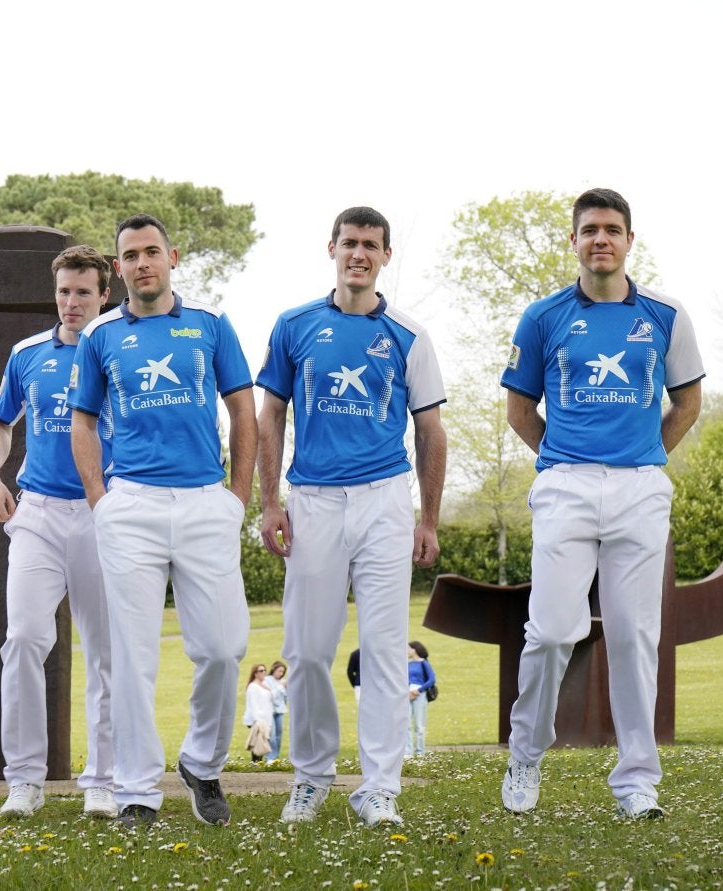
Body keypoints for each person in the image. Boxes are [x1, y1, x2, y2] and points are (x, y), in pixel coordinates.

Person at [499, 188, 703, 821]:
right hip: (565, 486)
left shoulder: (665, 315)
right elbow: (518, 409)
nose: (601, 239)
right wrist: (563, 456)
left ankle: (638, 782)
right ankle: (526, 754)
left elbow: (688, 403)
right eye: (589, 230)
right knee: (553, 630)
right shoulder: (543, 317)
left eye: (612, 229)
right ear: (574, 240)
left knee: (636, 636)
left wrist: (644, 453)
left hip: (641, 489)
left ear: (629, 240)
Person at [256, 206, 447, 827]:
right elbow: (270, 416)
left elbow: (430, 430)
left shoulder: (409, 336)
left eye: (371, 244)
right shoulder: (294, 326)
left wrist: (429, 520)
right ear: (331, 248)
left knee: (386, 649)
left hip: (385, 500)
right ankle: (311, 778)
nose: (358, 253)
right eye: (349, 243)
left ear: (386, 255)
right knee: (307, 651)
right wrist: (269, 502)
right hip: (312, 501)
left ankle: (380, 788)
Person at [70, 213, 257, 830]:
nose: (142, 263)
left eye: (152, 252)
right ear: (117, 267)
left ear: (172, 257)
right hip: (132, 507)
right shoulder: (99, 334)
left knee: (225, 648)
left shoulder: (210, 325)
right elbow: (84, 423)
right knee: (132, 655)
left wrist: (237, 496)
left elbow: (242, 408)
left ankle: (202, 762)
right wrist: (101, 501)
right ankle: (136, 791)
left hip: (206, 502)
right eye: (130, 255)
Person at [0, 245, 117, 820]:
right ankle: (25, 781)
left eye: (83, 291)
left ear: (104, 295)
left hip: (104, 513)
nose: (71, 302)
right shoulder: (27, 353)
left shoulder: (121, 351)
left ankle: (104, 781)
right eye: (63, 290)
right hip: (35, 514)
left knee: (108, 653)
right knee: (25, 640)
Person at [406, 642, 436, 757]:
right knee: (406, 724)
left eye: (409, 649)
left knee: (419, 725)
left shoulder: (424, 663)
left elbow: (431, 679)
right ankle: (407, 752)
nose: (407, 651)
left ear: (414, 650)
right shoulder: (408, 664)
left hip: (420, 695)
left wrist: (418, 691)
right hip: (407, 695)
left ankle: (419, 752)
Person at [243, 664, 274, 762]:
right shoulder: (252, 687)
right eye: (261, 670)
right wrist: (258, 720)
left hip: (266, 717)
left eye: (264, 670)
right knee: (257, 742)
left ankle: (259, 762)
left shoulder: (265, 684)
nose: (263, 672)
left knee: (263, 741)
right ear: (255, 673)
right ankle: (255, 763)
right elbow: (253, 704)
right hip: (257, 719)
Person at [264, 660, 289, 762]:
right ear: (274, 670)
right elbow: (270, 695)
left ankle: (275, 756)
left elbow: (286, 697)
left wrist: (286, 688)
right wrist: (280, 687)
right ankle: (270, 757)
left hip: (280, 710)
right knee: (272, 735)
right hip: (269, 711)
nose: (281, 673)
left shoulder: (284, 681)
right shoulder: (267, 680)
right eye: (279, 671)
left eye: (283, 672)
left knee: (279, 735)